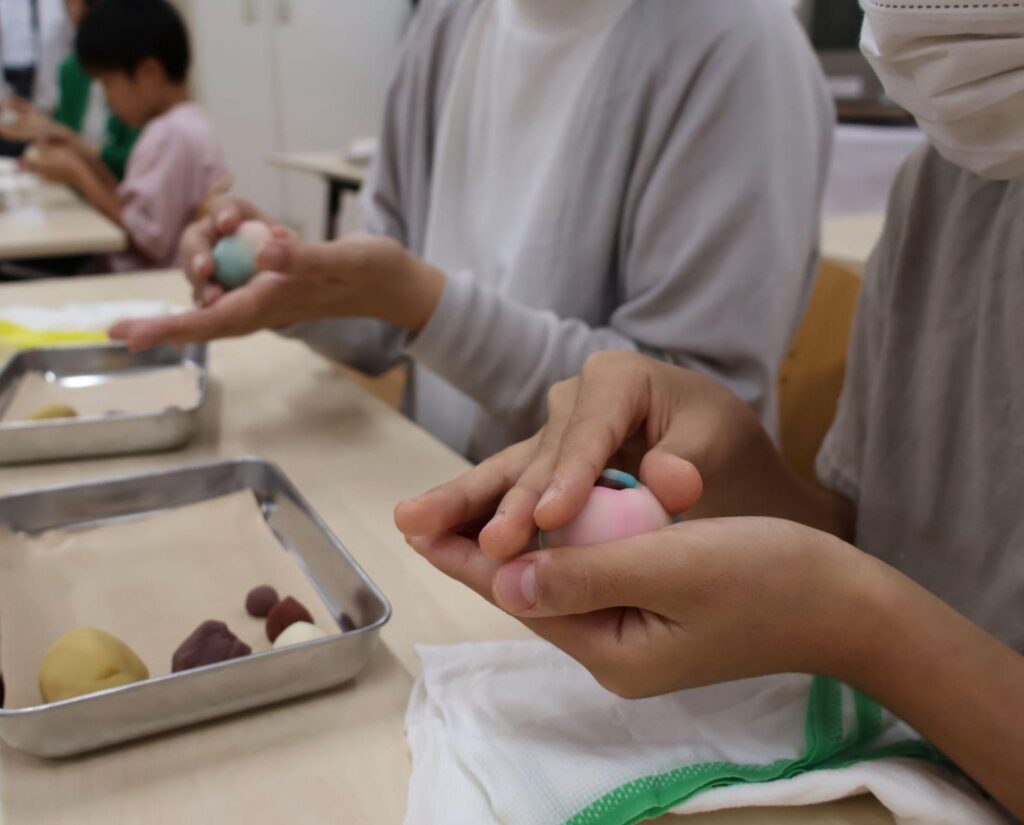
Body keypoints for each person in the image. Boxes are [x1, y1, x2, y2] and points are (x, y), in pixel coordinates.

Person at [394, 0, 1024, 817]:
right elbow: (887, 541)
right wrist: (740, 470)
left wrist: (853, 622)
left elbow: (877, 599)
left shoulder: (734, 45)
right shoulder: (952, 178)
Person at [109, 0, 834, 462]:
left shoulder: (737, 48)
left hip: (624, 594)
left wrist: (421, 300)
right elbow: (389, 323)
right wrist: (295, 279)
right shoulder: (447, 25)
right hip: (452, 520)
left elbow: (691, 420)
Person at [24, 0, 226, 271]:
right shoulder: (184, 124)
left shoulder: (170, 135)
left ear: (149, 73)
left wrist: (79, 176)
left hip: (150, 284)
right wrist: (85, 156)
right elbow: (130, 207)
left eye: (108, 83)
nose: (107, 99)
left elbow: (145, 242)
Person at [0, 0, 140, 179]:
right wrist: (42, 129)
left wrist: (73, 153)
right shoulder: (72, 70)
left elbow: (129, 165)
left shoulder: (135, 75)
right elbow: (61, 139)